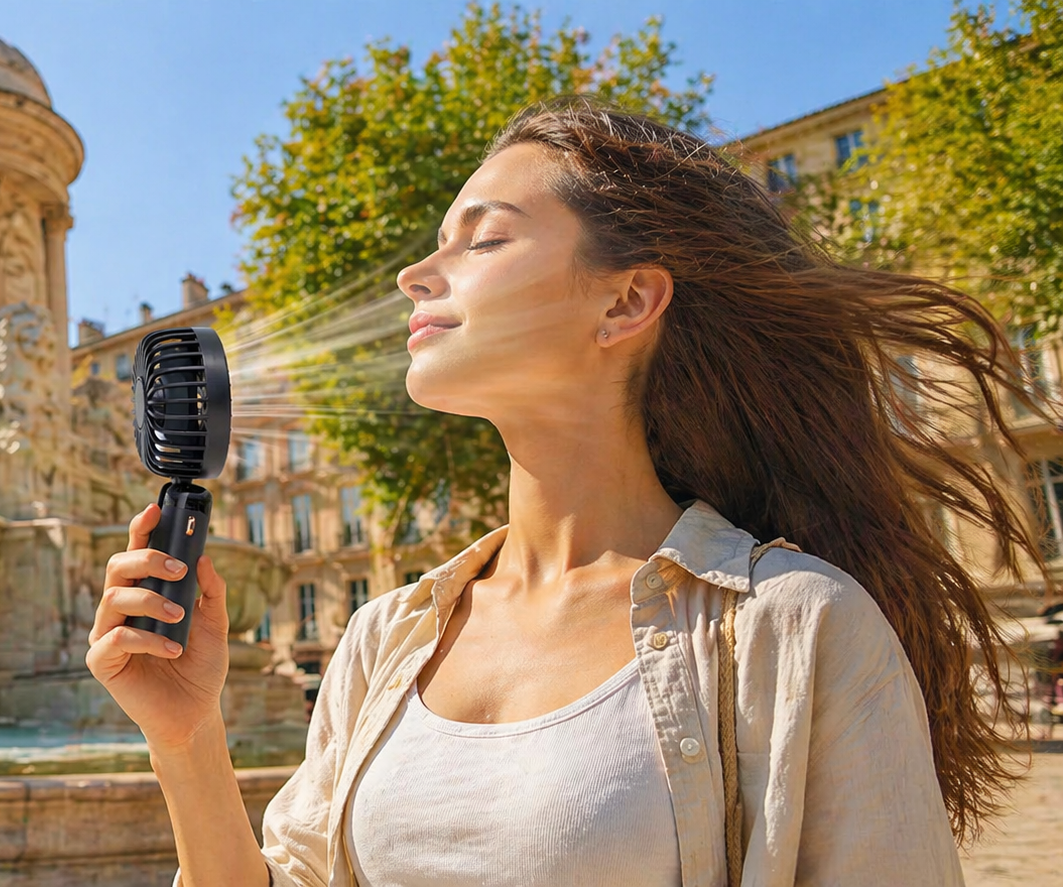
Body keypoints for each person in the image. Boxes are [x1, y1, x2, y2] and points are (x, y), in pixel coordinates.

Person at [88, 100, 1037, 887]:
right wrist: (186, 735)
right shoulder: (384, 639)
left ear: (625, 301)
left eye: (484, 239)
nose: (419, 273)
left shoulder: (795, 628)